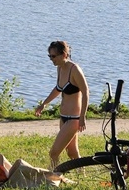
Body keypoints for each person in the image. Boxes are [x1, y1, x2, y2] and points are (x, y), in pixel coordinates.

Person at [34, 40, 89, 170]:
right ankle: (83, 177)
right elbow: (58, 88)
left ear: (64, 54)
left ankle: (53, 178)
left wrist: (82, 117)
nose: (51, 59)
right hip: (63, 117)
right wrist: (43, 104)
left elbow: (86, 93)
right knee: (72, 153)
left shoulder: (75, 70)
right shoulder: (60, 68)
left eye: (53, 56)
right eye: (49, 56)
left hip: (73, 119)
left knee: (54, 152)